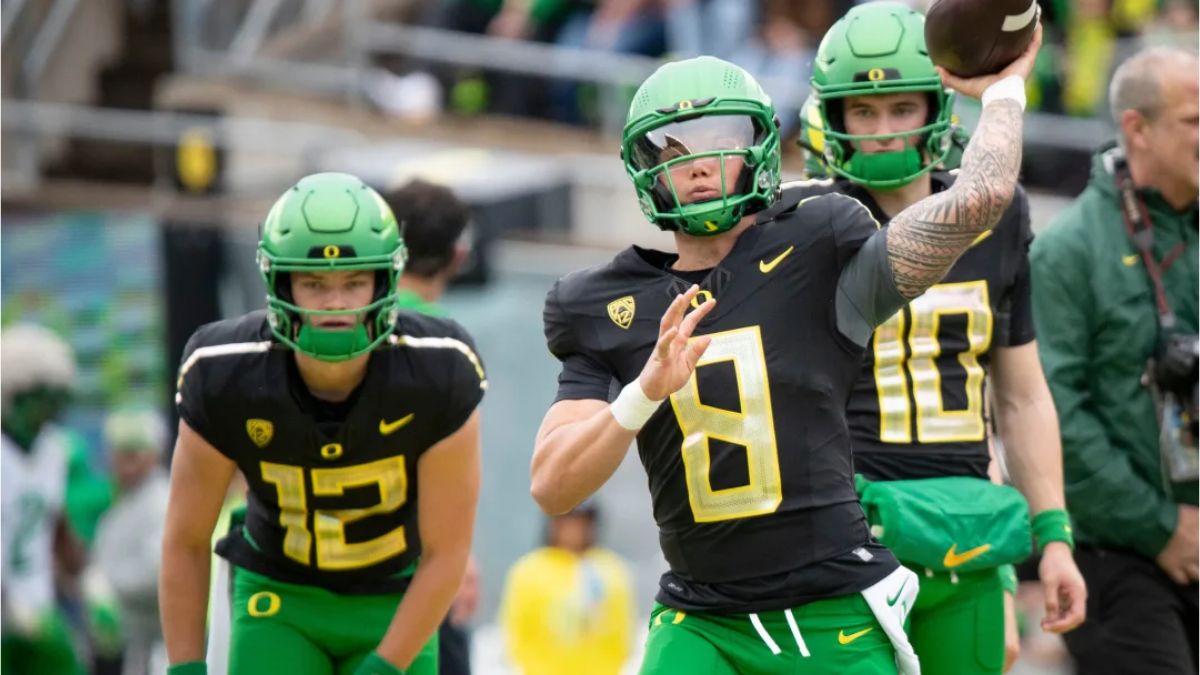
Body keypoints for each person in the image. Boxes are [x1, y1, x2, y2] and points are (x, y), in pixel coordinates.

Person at [532, 21, 1042, 673]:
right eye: (675, 148)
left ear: (762, 149)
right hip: (701, 618)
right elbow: (552, 485)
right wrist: (643, 393)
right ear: (646, 167)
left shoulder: (819, 246)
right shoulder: (603, 301)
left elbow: (981, 200)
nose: (700, 166)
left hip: (834, 609)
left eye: (724, 141)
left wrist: (1003, 95)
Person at [785, 4, 1087, 674]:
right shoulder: (809, 227)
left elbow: (1020, 394)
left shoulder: (1003, 217)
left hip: (965, 529)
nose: (885, 131)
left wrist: (1052, 537)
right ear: (832, 121)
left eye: (901, 106)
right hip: (849, 533)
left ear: (939, 104)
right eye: (863, 112)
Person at [159, 172, 487, 675]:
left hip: (394, 600)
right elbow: (185, 538)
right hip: (279, 595)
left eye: (354, 282)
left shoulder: (439, 368)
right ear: (279, 281)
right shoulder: (222, 369)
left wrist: (384, 668)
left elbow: (447, 553)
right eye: (314, 284)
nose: (335, 304)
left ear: (385, 280)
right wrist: (184, 669)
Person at [1030, 46, 1199, 675]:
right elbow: (1053, 414)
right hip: (1113, 553)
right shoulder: (1070, 250)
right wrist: (1162, 527)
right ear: (1137, 129)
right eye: (1194, 120)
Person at [383, 178, 477, 675]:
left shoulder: (341, 326)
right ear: (458, 255)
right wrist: (461, 559)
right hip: (421, 567)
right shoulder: (447, 347)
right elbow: (447, 472)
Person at [0, 324, 87, 675]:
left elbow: (55, 527)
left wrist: (91, 583)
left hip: (37, 613)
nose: (49, 414)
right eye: (41, 400)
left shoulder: (52, 450)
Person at [499, 502, 633, 675]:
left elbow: (622, 634)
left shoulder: (612, 570)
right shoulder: (529, 570)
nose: (574, 529)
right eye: (567, 521)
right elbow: (516, 631)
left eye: (580, 522)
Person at [88, 408, 173, 675]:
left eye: (132, 454)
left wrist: (107, 590)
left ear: (153, 455)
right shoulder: (120, 506)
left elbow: (157, 572)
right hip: (125, 646)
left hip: (158, 646)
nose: (124, 464)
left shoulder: (162, 501)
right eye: (118, 454)